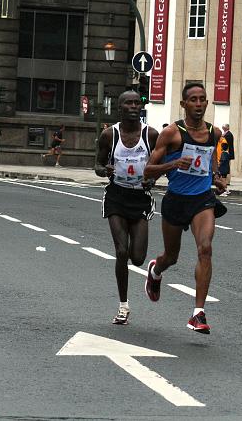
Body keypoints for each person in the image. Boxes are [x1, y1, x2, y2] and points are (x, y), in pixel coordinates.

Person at [143, 83, 227, 333]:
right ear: (184, 104)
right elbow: (148, 170)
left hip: (202, 200)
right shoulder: (171, 133)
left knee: (206, 248)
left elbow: (211, 161)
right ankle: (156, 271)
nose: (199, 104)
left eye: (203, 99)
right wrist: (175, 163)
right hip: (176, 199)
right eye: (193, 99)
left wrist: (217, 179)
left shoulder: (214, 133)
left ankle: (198, 313)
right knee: (171, 257)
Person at [94, 91, 158, 325]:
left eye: (136, 103)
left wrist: (152, 180)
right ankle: (123, 306)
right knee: (121, 252)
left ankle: (151, 271)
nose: (133, 106)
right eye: (128, 103)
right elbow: (98, 165)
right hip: (116, 196)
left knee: (138, 258)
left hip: (140, 197)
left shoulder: (150, 135)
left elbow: (158, 166)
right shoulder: (109, 135)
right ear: (119, 107)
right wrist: (104, 171)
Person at [215, 132, 232, 196]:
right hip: (226, 168)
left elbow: (223, 160)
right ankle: (225, 190)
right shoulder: (227, 153)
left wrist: (219, 164)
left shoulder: (223, 153)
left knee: (222, 179)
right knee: (223, 179)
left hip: (223, 168)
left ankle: (223, 190)